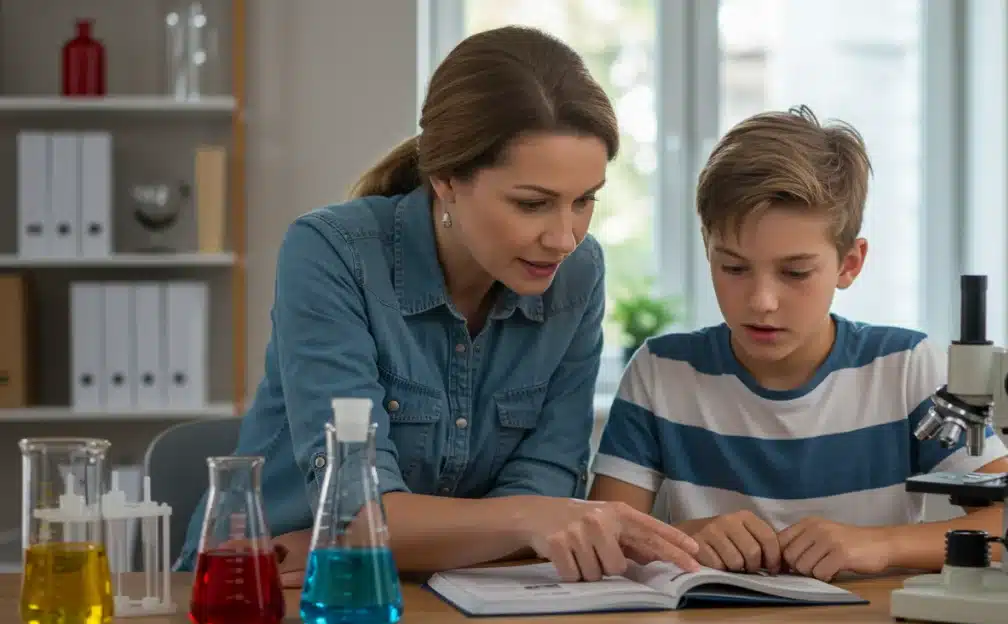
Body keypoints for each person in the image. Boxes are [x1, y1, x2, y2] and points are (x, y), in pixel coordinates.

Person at [176, 25, 700, 585]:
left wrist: (386, 537)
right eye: (532, 204)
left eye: (584, 201)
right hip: (267, 592)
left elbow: (543, 485)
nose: (565, 237)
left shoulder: (578, 274)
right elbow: (359, 512)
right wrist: (509, 523)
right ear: (447, 179)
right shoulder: (331, 252)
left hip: (461, 597)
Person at [587, 106, 1008, 582]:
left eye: (794, 273)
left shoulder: (906, 368)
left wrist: (881, 544)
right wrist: (689, 538)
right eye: (733, 268)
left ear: (849, 264)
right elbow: (605, 539)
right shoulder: (660, 373)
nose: (762, 301)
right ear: (707, 248)